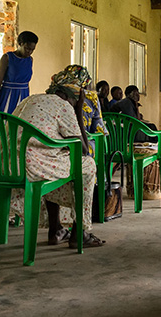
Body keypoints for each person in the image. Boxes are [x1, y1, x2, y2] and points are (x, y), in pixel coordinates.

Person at [9, 73, 106, 248]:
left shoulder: (30, 99)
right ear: (70, 97)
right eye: (77, 101)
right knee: (87, 166)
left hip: (6, 165)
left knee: (60, 161)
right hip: (33, 166)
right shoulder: (63, 106)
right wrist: (77, 111)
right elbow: (83, 150)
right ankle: (78, 234)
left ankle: (56, 229)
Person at [0, 31, 38, 114]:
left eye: (32, 50)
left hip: (24, 96)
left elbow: (27, 84)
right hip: (8, 96)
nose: (29, 52)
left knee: (20, 122)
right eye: (27, 48)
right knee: (4, 122)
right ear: (20, 44)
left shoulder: (30, 60)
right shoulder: (7, 58)